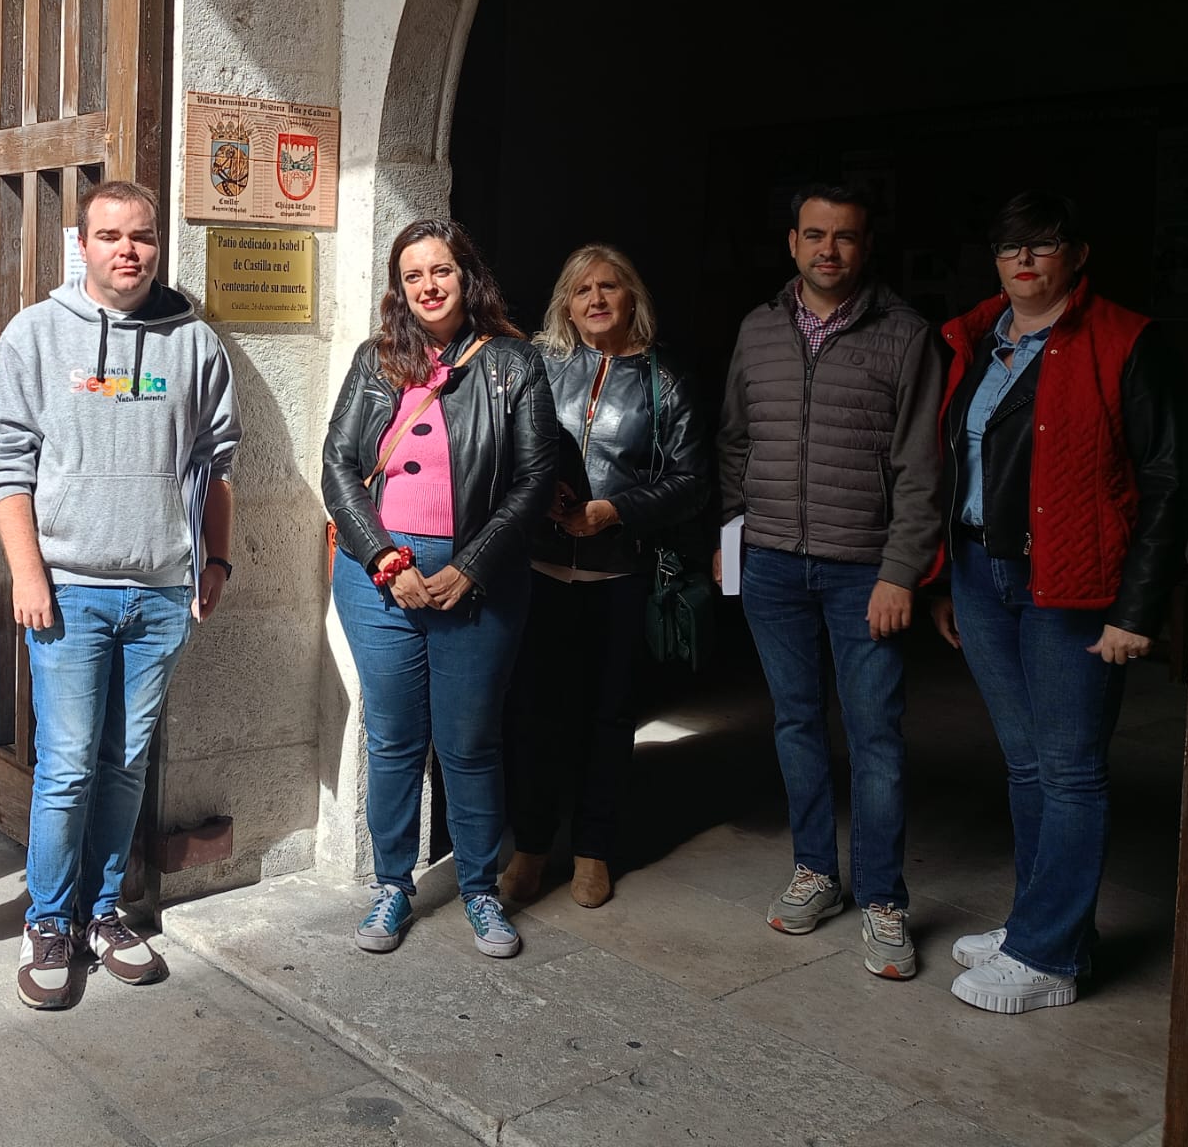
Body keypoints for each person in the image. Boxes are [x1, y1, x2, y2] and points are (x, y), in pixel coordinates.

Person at [0, 179, 240, 1010]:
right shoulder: (36, 335)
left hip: (161, 592)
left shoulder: (194, 343)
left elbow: (218, 463)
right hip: (70, 592)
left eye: (144, 236)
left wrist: (217, 561)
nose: (128, 250)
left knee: (124, 763)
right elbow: (5, 464)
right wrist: (28, 572)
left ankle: (100, 911)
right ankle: (48, 919)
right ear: (81, 245)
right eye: (111, 236)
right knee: (64, 767)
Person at [931, 191, 1188, 1014]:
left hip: (1073, 587)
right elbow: (959, 466)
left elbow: (1166, 483)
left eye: (1044, 246)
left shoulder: (1126, 340)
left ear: (1078, 256)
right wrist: (945, 577)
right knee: (1027, 764)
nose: (1025, 261)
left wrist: (1137, 610)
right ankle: (1041, 926)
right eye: (1011, 247)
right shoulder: (976, 336)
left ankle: (1048, 958)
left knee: (1071, 773)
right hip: (981, 574)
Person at [715, 184, 944, 982]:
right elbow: (735, 445)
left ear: (866, 246)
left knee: (877, 736)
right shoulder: (758, 329)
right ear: (792, 243)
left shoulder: (907, 337)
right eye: (815, 235)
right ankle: (818, 870)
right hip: (772, 560)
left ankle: (883, 899)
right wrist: (731, 540)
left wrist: (900, 571)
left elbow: (922, 467)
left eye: (844, 238)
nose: (829, 251)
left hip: (863, 572)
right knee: (795, 722)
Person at [321, 217, 556, 959]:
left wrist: (474, 564)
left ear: (467, 277)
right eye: (414, 275)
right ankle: (392, 886)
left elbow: (535, 479)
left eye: (442, 271)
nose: (428, 285)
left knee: (469, 742)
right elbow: (338, 465)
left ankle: (481, 890)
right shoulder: (377, 361)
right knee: (393, 738)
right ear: (400, 287)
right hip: (379, 576)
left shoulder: (514, 365)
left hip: (476, 576)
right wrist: (386, 561)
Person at [501, 244, 710, 910]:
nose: (595, 299)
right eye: (582, 288)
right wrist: (542, 501)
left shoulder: (664, 381)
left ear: (632, 299)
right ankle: (531, 849)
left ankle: (593, 849)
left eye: (610, 287)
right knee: (533, 718)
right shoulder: (540, 366)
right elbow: (504, 448)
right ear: (566, 302)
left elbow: (693, 481)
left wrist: (613, 510)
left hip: (618, 576)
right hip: (536, 571)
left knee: (608, 720)